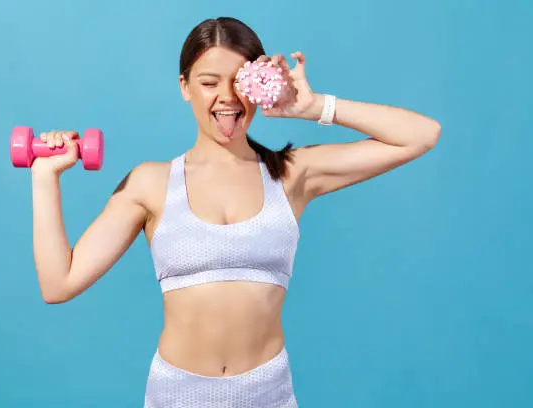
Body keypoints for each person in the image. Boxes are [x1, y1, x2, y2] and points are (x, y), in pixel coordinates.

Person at [30, 16, 441, 408]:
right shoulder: (150, 184)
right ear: (185, 87)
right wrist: (45, 176)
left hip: (268, 395)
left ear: (260, 87)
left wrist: (315, 107)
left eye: (239, 82)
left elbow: (421, 135)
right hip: (176, 396)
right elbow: (58, 283)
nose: (227, 97)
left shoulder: (292, 175)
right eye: (209, 82)